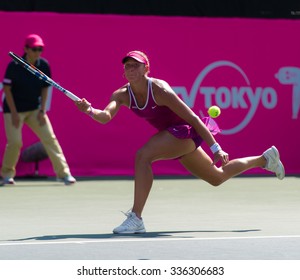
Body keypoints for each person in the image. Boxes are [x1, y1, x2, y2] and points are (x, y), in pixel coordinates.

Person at [75, 50, 285, 234]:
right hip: (173, 138)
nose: (130, 69)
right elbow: (105, 117)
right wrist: (90, 110)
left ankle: (136, 218)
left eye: (135, 65)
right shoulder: (121, 94)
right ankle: (264, 159)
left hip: (184, 132)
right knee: (217, 177)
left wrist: (216, 147)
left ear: (145, 68)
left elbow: (193, 118)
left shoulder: (160, 90)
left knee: (143, 156)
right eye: (127, 66)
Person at [1, 34, 76, 185]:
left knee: (50, 138)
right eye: (34, 49)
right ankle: (6, 175)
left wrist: (42, 111)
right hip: (13, 111)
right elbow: (7, 90)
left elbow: (45, 88)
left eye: (40, 49)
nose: (38, 52)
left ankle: (64, 174)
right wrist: (14, 114)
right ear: (26, 49)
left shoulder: (44, 65)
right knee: (15, 143)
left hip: (34, 110)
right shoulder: (13, 66)